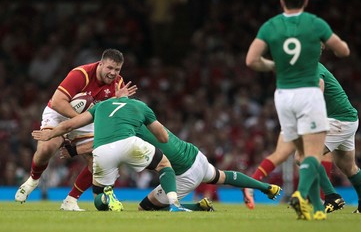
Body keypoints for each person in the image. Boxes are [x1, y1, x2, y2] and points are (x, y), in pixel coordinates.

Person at [245, 0, 350, 220]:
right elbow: (343, 50)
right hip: (308, 94)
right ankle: (301, 195)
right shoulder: (315, 24)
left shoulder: (270, 26)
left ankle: (316, 209)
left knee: (292, 153)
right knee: (312, 154)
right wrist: (335, 45)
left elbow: (251, 60)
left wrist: (273, 65)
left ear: (281, 2)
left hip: (283, 96)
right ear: (306, 1)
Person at [243, 62, 361, 214]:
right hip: (346, 118)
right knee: (348, 166)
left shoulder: (310, 68)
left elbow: (317, 91)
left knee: (303, 156)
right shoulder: (303, 69)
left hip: (338, 121)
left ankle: (331, 196)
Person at [15, 48, 136, 211]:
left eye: (117, 69)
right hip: (60, 113)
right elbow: (58, 102)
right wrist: (78, 120)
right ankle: (33, 180)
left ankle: (70, 200)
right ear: (100, 64)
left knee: (100, 159)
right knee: (47, 148)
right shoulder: (81, 74)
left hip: (86, 119)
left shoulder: (118, 85)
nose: (113, 73)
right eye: (109, 68)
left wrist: (120, 102)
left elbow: (114, 117)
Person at [32, 96, 191, 212]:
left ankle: (107, 199)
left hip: (102, 152)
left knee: (97, 196)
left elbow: (70, 125)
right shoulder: (139, 106)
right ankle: (174, 204)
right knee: (164, 165)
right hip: (129, 144)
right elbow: (163, 137)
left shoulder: (100, 107)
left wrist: (50, 134)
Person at [135, 124, 282, 211]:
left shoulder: (126, 130)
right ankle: (267, 187)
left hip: (185, 173)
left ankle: (197, 207)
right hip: (195, 155)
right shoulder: (142, 112)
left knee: (146, 207)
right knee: (222, 176)